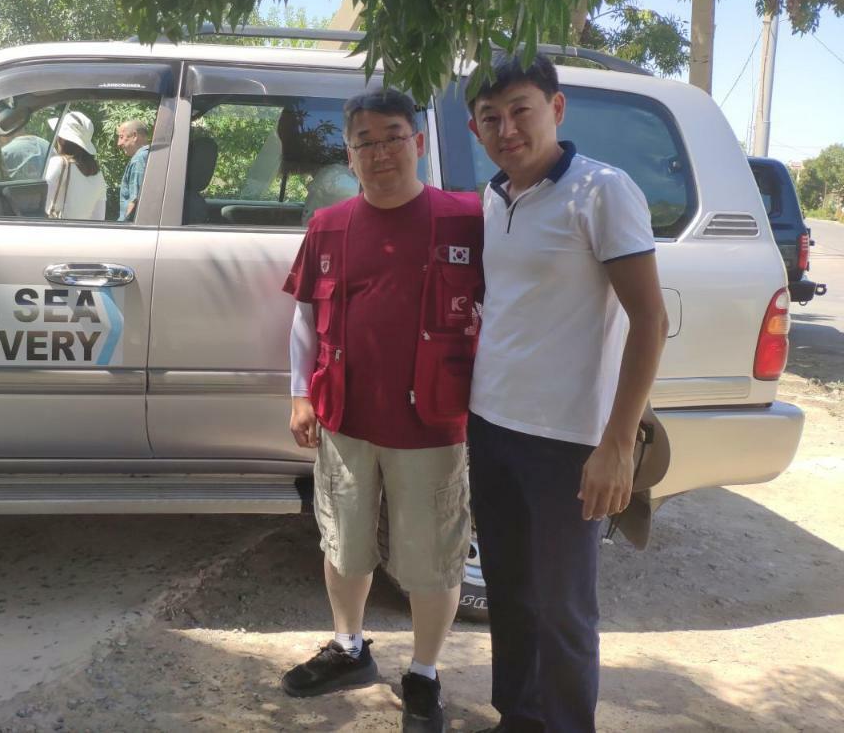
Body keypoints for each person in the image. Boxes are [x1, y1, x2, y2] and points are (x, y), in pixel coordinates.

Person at [465, 55, 669, 733]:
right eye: (491, 118)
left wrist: (616, 444)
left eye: (520, 110)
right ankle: (518, 718)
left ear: (556, 109)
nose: (507, 128)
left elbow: (650, 320)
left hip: (569, 442)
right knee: (511, 596)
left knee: (564, 610)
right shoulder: (494, 199)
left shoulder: (601, 192)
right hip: (492, 428)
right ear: (475, 127)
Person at [280, 88, 484, 733]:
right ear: (349, 153)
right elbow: (305, 317)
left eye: (393, 136)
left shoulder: (467, 220)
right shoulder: (328, 225)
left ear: (419, 142)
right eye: (364, 140)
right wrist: (300, 393)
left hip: (433, 424)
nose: (379, 151)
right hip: (345, 419)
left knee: (432, 557)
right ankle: (348, 646)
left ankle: (423, 673)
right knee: (344, 544)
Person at [43, 111, 106, 221]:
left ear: (62, 139)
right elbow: (99, 217)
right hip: (83, 235)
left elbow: (42, 200)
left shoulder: (59, 163)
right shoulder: (98, 174)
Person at [116, 119, 151, 221]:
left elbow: (135, 200)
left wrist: (122, 229)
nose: (119, 143)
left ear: (135, 136)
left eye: (122, 137)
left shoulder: (138, 159)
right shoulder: (150, 155)